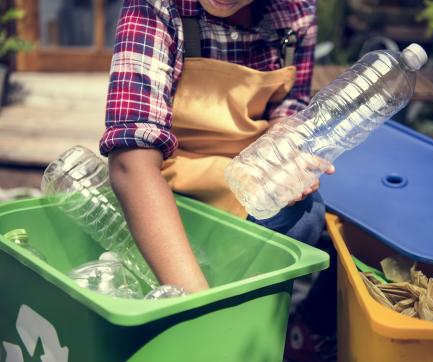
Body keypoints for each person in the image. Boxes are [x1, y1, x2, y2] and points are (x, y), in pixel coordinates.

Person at [100, 0, 336, 358]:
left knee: (306, 215)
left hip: (241, 177)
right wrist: (198, 310)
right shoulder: (157, 8)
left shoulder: (295, 12)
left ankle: (249, 326)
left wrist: (284, 149)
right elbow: (130, 163)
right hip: (167, 184)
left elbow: (290, 105)